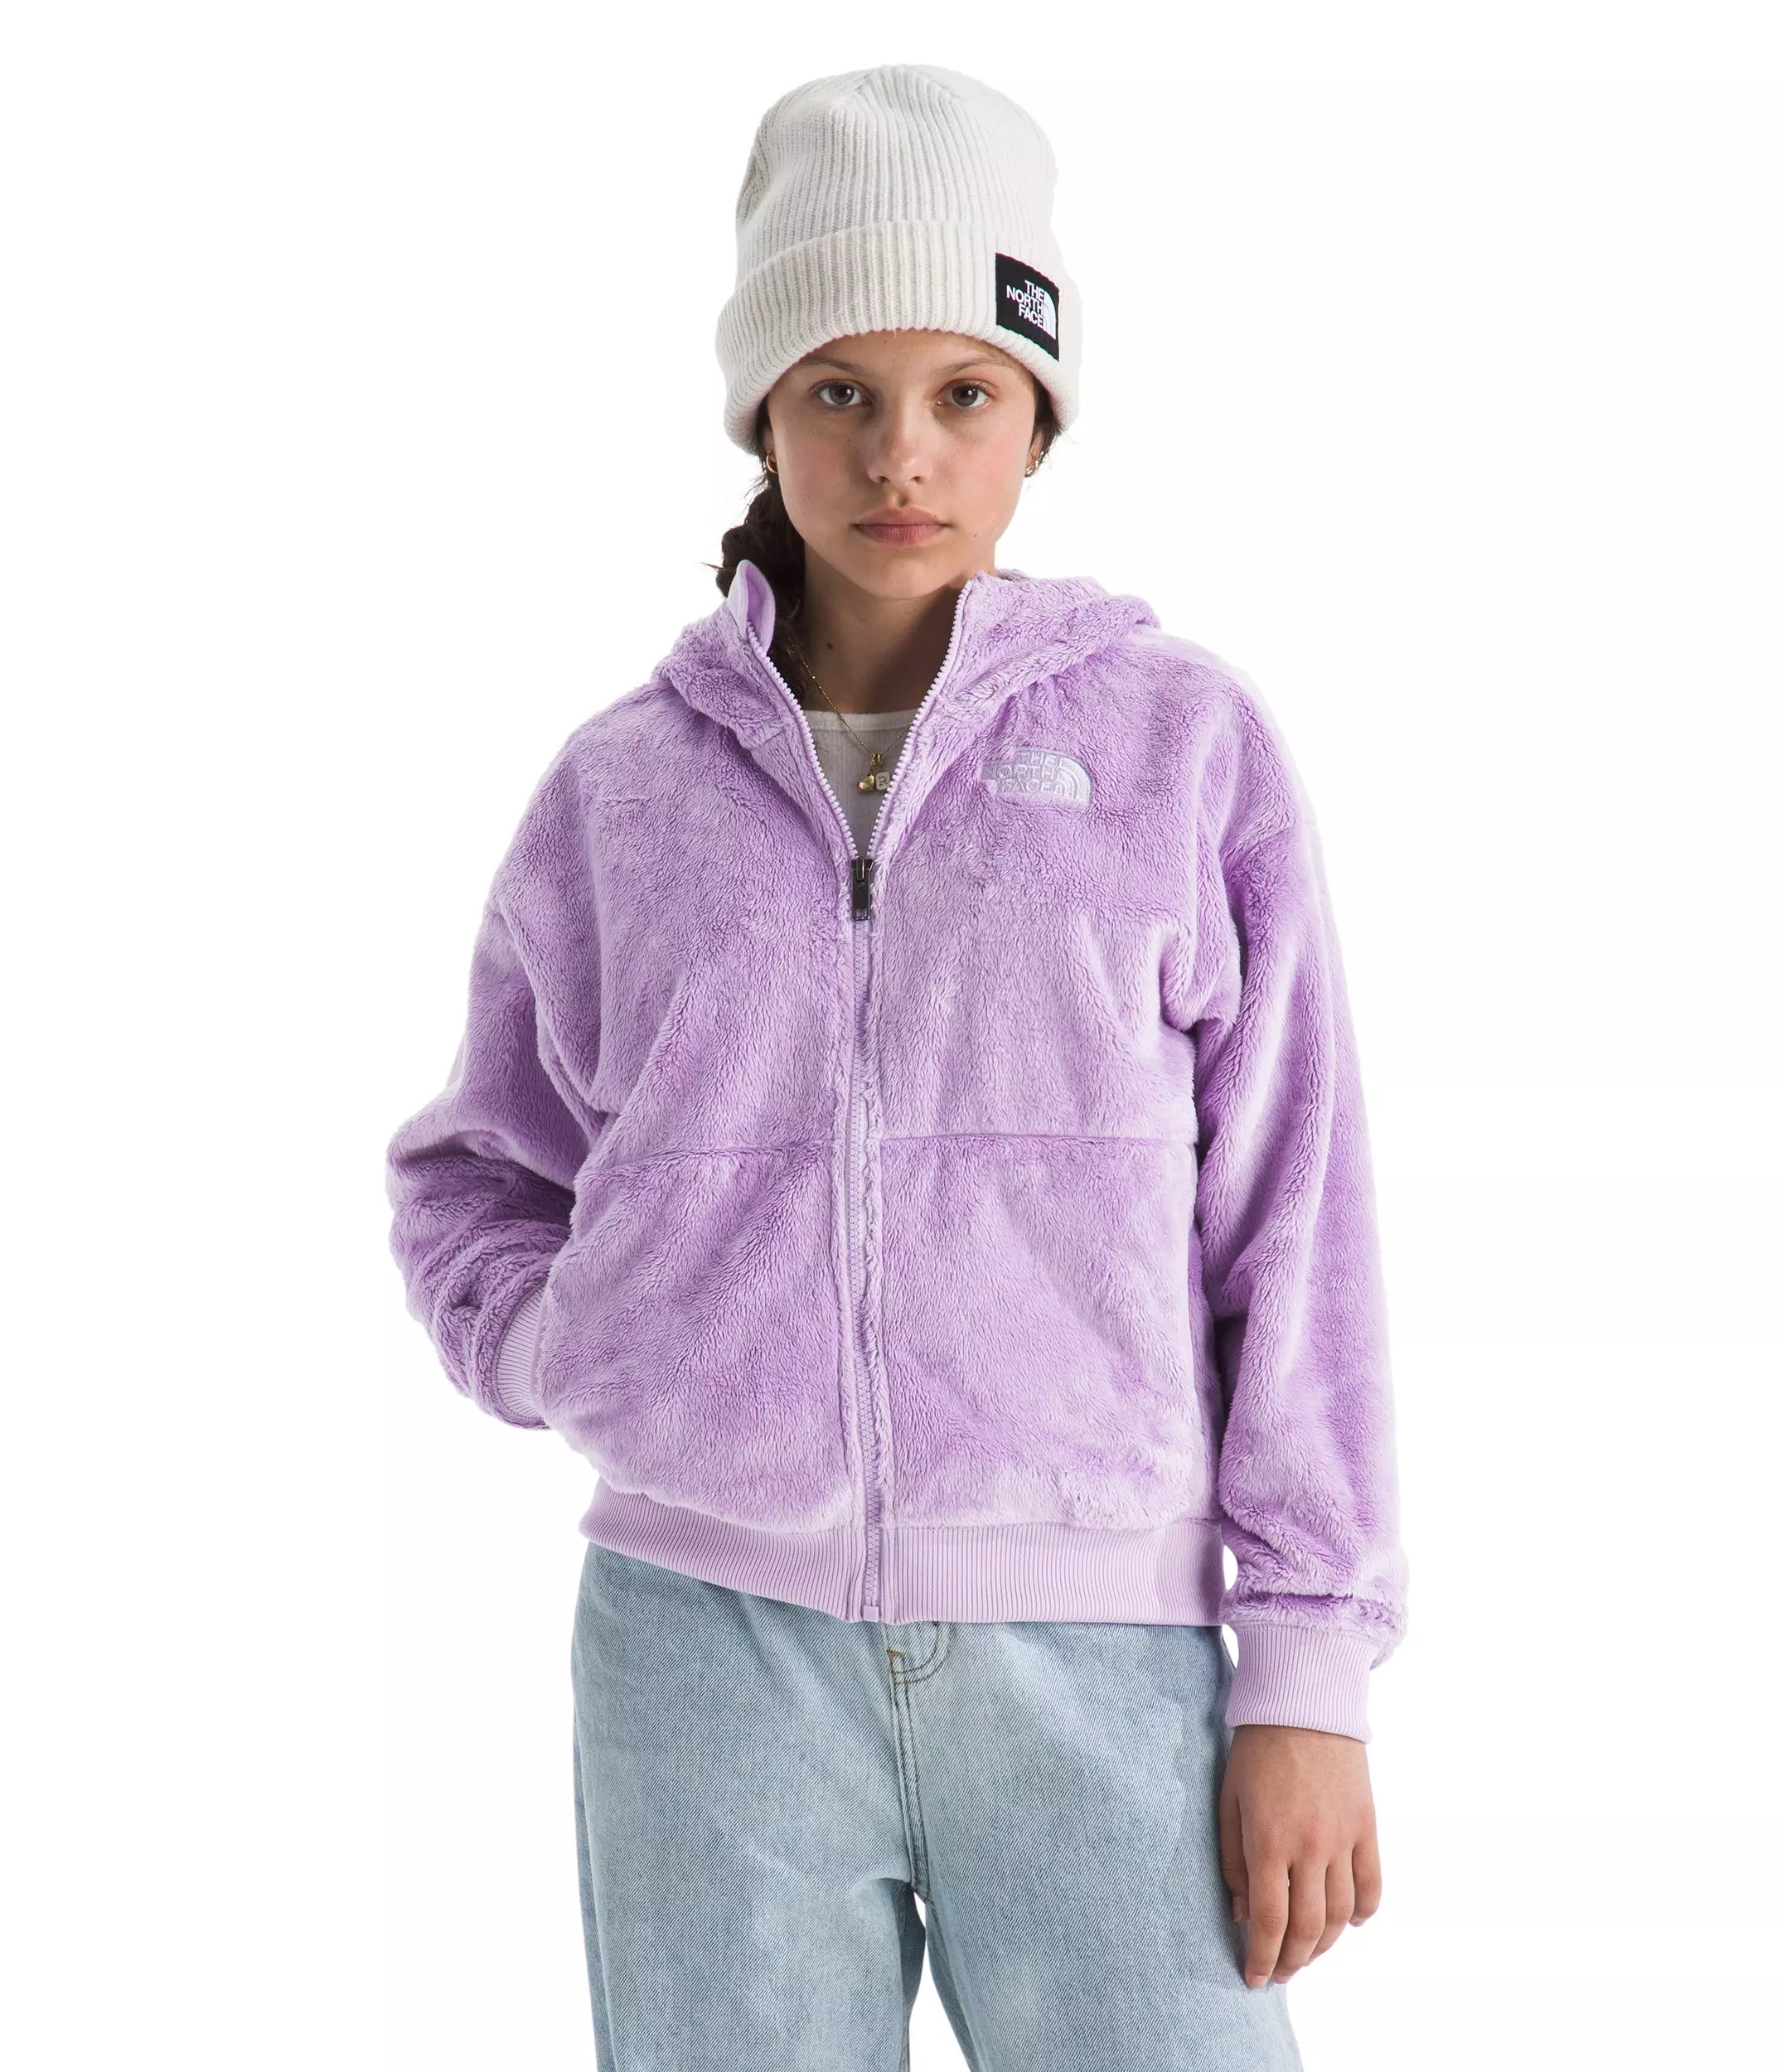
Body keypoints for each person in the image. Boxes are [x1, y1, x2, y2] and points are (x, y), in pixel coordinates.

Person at [385, 61, 1408, 2072]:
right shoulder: (623, 792)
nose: (902, 453)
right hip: (701, 1656)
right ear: (762, 410)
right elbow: (474, 1171)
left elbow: (1296, 1218)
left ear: (1040, 412)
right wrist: (571, 1347)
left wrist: (1308, 1666)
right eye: (839, 388)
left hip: (1099, 1651)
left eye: (965, 390)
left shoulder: (1179, 750)